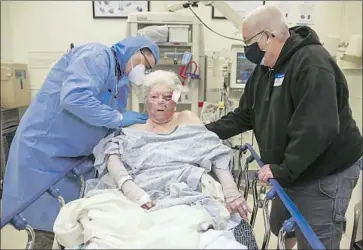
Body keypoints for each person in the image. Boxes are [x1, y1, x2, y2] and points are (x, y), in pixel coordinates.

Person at [205, 5, 362, 250]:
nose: (247, 48)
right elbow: (245, 115)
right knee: (280, 225)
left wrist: (283, 169)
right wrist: (202, 133)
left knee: (315, 238)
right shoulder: (266, 69)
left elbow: (316, 129)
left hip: (325, 172)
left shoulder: (312, 64)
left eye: (249, 41)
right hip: (291, 168)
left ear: (268, 36)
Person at [1, 36, 160, 249]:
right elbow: (75, 97)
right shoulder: (97, 55)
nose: (144, 70)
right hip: (44, 150)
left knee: (66, 223)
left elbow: (109, 120)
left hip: (73, 158)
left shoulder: (120, 82)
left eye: (149, 69)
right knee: (41, 223)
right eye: (144, 63)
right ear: (134, 49)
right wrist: (120, 119)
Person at [85, 70, 257, 249]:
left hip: (185, 190)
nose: (160, 101)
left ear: (175, 99)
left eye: (167, 97)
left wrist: (231, 191)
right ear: (146, 99)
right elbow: (111, 156)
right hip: (141, 191)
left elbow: (214, 152)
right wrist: (131, 190)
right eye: (154, 96)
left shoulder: (187, 119)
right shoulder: (135, 125)